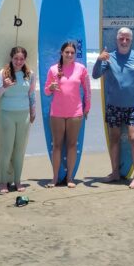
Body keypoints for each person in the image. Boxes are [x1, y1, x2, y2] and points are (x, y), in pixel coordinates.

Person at [92, 27, 134, 189]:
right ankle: (115, 173)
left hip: (133, 106)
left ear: (131, 40)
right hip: (113, 106)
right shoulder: (109, 57)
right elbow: (95, 75)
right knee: (114, 138)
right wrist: (99, 60)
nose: (124, 41)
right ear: (117, 39)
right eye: (121, 38)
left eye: (127, 38)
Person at [44, 41, 91, 188]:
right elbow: (46, 91)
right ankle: (54, 178)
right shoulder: (53, 70)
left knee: (71, 145)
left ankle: (70, 178)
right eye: (67, 52)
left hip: (75, 112)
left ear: (75, 54)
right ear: (62, 53)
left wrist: (87, 107)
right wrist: (50, 87)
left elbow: (87, 89)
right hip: (57, 112)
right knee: (57, 145)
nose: (70, 55)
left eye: (72, 52)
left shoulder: (81, 69)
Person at [0, 47, 36, 194]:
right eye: (16, 58)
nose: (18, 61)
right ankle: (3, 182)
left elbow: (31, 95)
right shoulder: (3, 74)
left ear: (25, 60)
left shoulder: (29, 74)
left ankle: (18, 181)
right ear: (11, 58)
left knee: (19, 150)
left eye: (21, 59)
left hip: (24, 116)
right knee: (7, 149)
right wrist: (3, 87)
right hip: (7, 115)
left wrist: (33, 111)